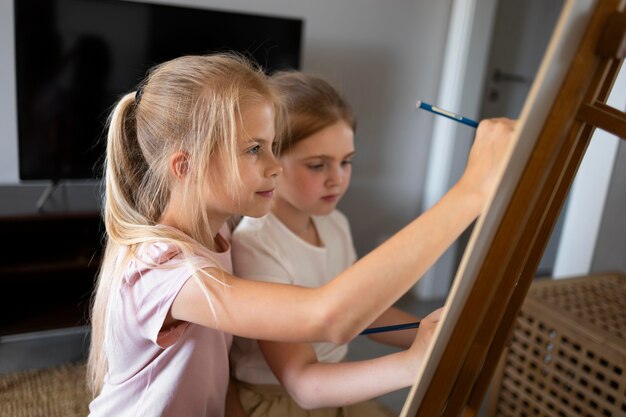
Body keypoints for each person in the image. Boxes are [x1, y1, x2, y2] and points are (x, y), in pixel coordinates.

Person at [86, 52, 514, 417]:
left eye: (273, 146)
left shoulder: (217, 242)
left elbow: (218, 375)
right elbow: (326, 317)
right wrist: (473, 190)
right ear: (185, 167)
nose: (274, 166)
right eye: (255, 149)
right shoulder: (160, 268)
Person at [229, 71, 421, 417]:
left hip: (338, 385)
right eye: (318, 165)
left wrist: (429, 333)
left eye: (346, 162)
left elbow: (360, 311)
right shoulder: (255, 245)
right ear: (270, 162)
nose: (337, 179)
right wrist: (412, 362)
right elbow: (302, 380)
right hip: (280, 400)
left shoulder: (335, 223)